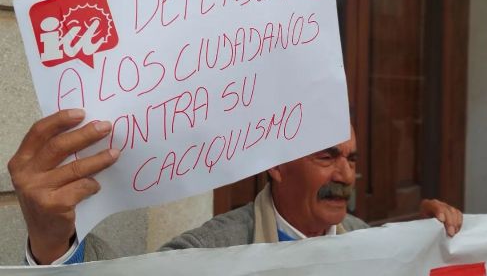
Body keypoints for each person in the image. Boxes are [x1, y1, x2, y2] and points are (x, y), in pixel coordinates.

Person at [8, 110, 463, 265]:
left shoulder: (372, 244)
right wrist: (54, 239)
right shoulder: (211, 251)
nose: (344, 175)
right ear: (277, 167)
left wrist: (426, 249)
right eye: (326, 156)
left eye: (351, 159)